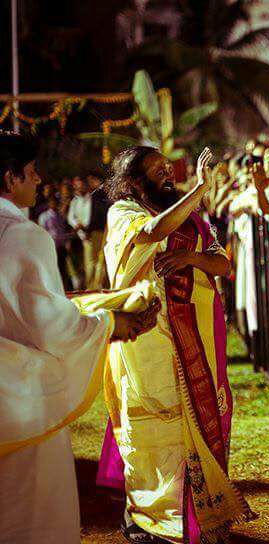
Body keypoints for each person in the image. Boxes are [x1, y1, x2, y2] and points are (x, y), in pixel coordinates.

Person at [0, 133, 152, 543]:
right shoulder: (20, 235)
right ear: (9, 179)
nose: (39, 180)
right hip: (18, 398)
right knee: (32, 513)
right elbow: (52, 327)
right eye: (31, 172)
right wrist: (109, 323)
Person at [101, 146, 252, 543]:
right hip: (145, 338)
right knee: (153, 424)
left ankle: (193, 511)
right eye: (158, 171)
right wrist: (199, 190)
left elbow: (223, 264)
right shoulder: (124, 214)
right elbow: (151, 234)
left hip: (194, 339)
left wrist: (191, 258)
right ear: (134, 182)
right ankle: (147, 514)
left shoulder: (192, 219)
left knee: (192, 425)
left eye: (169, 168)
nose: (168, 175)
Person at [67, 174, 109, 288]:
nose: (79, 187)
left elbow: (91, 217)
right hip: (85, 236)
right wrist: (81, 231)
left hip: (96, 232)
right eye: (77, 185)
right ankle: (92, 287)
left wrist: (86, 227)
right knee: (90, 263)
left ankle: (99, 286)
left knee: (100, 261)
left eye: (81, 184)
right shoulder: (74, 201)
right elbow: (71, 218)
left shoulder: (93, 197)